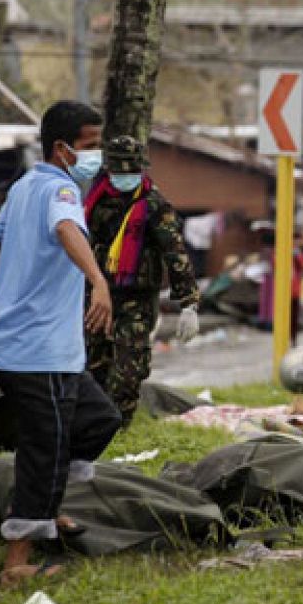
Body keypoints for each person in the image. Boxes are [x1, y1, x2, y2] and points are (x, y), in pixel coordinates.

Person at [0, 101, 122, 587]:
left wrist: (4, 299)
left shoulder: (22, 188)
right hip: (36, 352)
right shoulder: (59, 188)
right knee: (46, 445)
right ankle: (17, 560)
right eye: (90, 146)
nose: (97, 155)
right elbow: (64, 230)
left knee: (99, 418)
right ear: (61, 149)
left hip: (42, 349)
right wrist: (97, 280)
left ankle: (43, 509)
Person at [83, 135, 202, 425]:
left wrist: (188, 303)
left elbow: (174, 252)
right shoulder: (96, 201)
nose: (125, 178)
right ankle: (94, 425)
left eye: (131, 171)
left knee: (129, 366)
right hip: (99, 294)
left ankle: (118, 425)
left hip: (137, 297)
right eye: (119, 172)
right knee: (93, 362)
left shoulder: (154, 205)